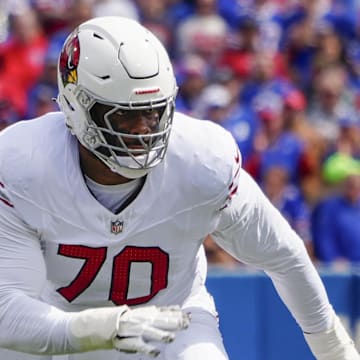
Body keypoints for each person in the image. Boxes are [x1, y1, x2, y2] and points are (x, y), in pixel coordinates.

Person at [0, 16, 358, 360]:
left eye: (153, 112)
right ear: (77, 107)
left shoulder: (201, 160)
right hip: (57, 326)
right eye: (123, 115)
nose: (144, 129)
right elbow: (6, 312)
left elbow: (284, 255)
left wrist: (337, 353)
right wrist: (103, 328)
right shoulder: (24, 165)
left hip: (172, 321)